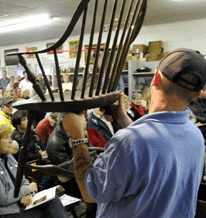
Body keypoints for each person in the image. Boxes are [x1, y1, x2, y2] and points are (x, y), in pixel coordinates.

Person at [63, 48, 206, 217]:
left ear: (156, 77)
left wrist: (78, 137)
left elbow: (91, 193)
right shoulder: (196, 136)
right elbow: (154, 145)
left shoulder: (128, 141)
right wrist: (124, 121)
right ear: (197, 94)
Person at [0, 125, 68, 218]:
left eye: (10, 137)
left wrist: (29, 195)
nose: (11, 141)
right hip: (5, 212)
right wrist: (28, 189)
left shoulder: (8, 157)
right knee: (46, 213)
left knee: (53, 199)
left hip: (19, 204)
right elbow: (3, 198)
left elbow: (24, 181)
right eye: (6, 138)